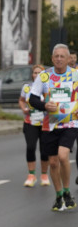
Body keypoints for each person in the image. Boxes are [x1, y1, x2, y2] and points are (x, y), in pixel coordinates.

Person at [28, 44, 78, 211]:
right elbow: (32, 99)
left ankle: (67, 191)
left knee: (63, 156)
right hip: (49, 124)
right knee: (53, 162)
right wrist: (44, 105)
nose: (58, 59)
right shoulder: (44, 76)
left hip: (71, 122)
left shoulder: (76, 75)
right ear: (52, 58)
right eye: (56, 56)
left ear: (69, 59)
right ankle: (58, 196)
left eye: (62, 56)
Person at [19, 65, 49, 187]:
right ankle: (31, 175)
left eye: (40, 73)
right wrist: (23, 108)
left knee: (44, 150)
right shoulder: (27, 88)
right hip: (30, 122)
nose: (37, 75)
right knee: (30, 147)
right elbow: (21, 100)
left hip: (45, 123)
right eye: (35, 73)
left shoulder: (48, 88)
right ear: (32, 75)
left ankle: (44, 175)